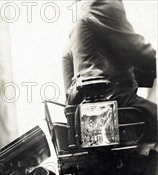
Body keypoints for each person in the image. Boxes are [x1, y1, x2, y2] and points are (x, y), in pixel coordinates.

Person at [62, 0, 157, 149]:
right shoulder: (102, 3)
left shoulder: (80, 10)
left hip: (86, 111)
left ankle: (144, 157)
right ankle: (144, 161)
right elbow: (136, 50)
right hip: (114, 105)